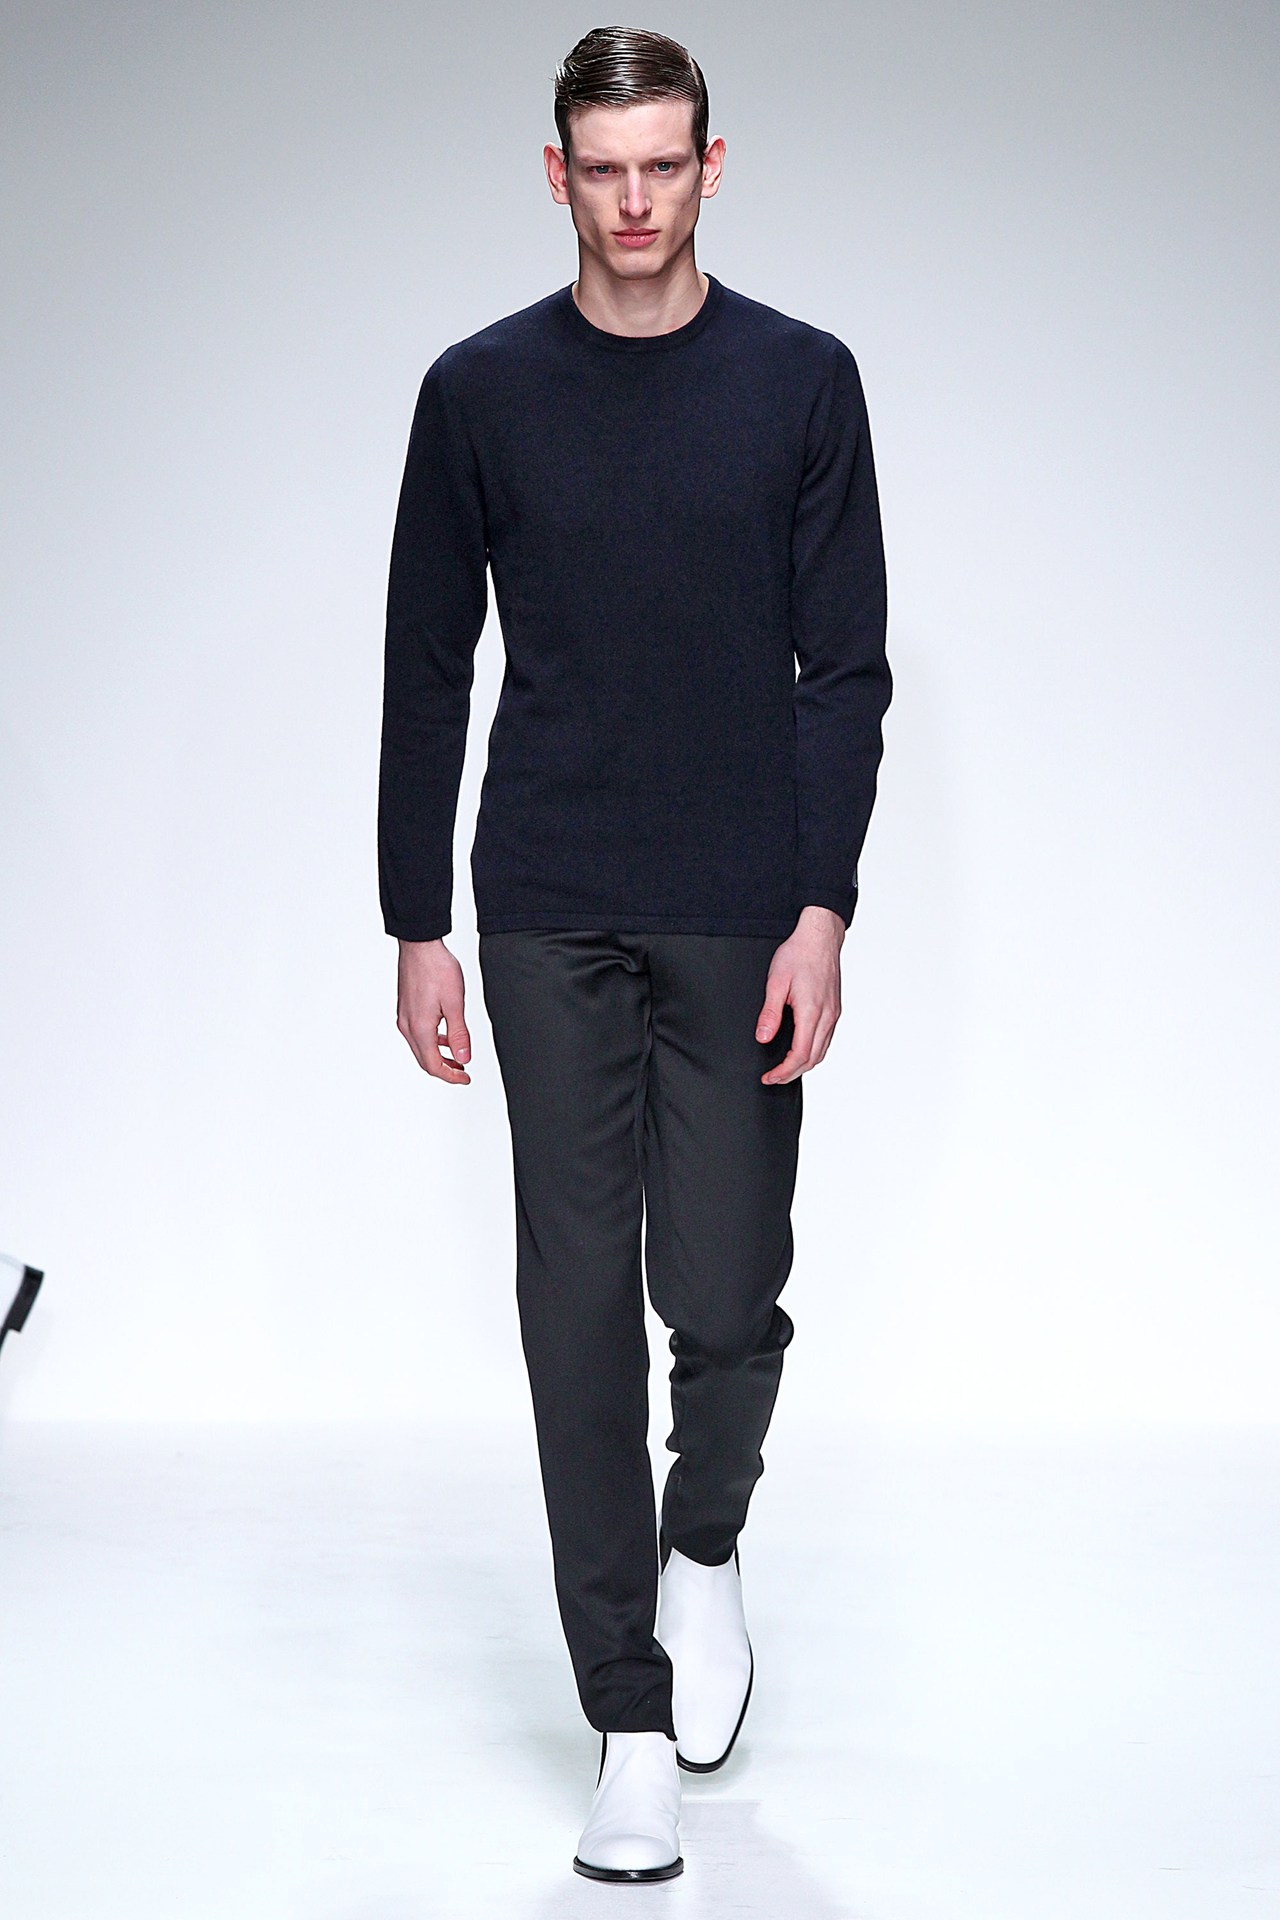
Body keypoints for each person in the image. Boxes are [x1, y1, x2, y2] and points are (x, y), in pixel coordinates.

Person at [377, 24, 891, 1886]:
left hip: (741, 898)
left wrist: (823, 904)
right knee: (576, 1298)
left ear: (711, 164)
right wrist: (414, 921)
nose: (635, 199)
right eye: (603, 168)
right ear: (557, 174)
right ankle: (628, 1714)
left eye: (664, 163)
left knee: (726, 1286)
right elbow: (427, 660)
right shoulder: (481, 392)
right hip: (548, 899)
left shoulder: (802, 382)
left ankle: (707, 1542)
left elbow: (847, 669)